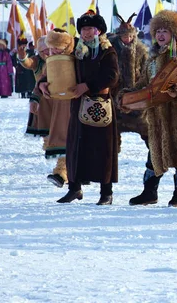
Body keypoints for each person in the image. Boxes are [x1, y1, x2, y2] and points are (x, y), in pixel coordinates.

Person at [39, 11, 119, 205]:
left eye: (90, 28)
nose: (86, 32)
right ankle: (74, 189)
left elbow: (112, 76)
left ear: (98, 30)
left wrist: (87, 86)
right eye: (83, 29)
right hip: (77, 105)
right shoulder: (74, 50)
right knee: (75, 147)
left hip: (100, 106)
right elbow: (56, 67)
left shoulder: (107, 51)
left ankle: (106, 193)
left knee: (103, 150)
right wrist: (42, 82)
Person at [125, 10, 177, 208]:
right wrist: (128, 95)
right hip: (156, 115)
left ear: (175, 34)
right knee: (154, 154)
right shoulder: (151, 59)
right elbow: (143, 83)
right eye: (157, 30)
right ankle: (149, 193)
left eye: (165, 31)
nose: (160, 35)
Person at [34, 29, 74, 188]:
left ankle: (74, 174)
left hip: (77, 105)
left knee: (74, 141)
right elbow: (42, 79)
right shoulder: (50, 62)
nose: (52, 51)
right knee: (62, 139)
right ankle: (61, 173)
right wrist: (41, 85)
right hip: (57, 107)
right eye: (51, 48)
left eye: (56, 47)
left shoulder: (77, 58)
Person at [108, 12, 150, 153]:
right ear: (119, 35)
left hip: (137, 96)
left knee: (146, 129)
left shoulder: (141, 50)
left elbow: (147, 70)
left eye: (130, 36)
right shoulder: (111, 49)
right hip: (116, 97)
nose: (128, 38)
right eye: (125, 36)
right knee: (113, 133)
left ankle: (156, 157)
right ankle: (112, 158)